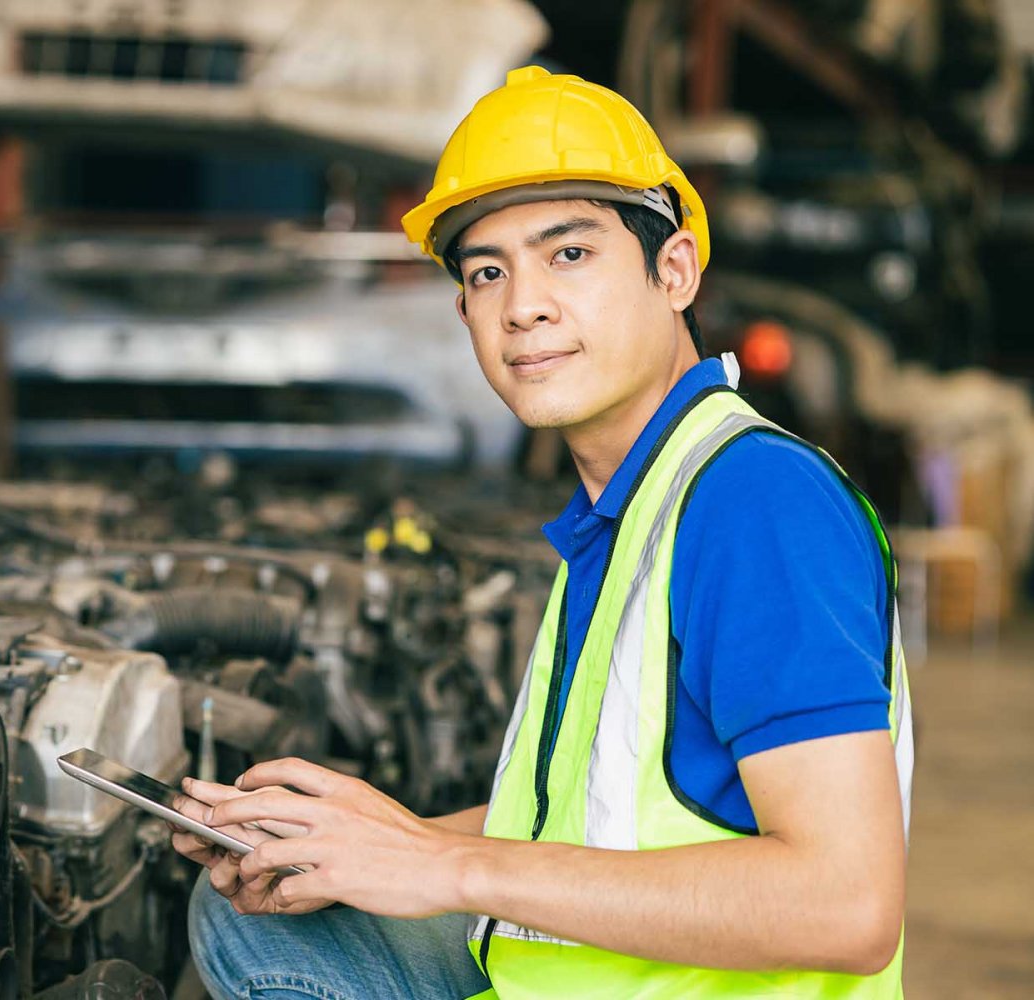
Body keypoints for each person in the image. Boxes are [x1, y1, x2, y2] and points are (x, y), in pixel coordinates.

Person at [172, 66, 913, 999]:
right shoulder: (636, 506)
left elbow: (846, 903)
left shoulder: (754, 502)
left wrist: (446, 871)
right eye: (488, 272)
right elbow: (588, 819)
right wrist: (386, 839)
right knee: (250, 912)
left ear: (674, 270)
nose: (523, 304)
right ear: (464, 313)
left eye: (569, 254)